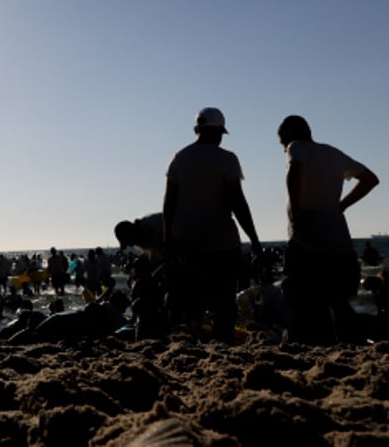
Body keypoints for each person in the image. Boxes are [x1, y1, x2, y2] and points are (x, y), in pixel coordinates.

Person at [277, 114, 380, 344]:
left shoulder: (296, 147)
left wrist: (296, 211)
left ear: (287, 138)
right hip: (340, 245)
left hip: (307, 243)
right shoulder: (333, 153)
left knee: (302, 304)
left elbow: (295, 170)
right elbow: (371, 179)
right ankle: (348, 346)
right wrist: (342, 205)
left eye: (282, 145)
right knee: (339, 304)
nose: (284, 150)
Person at [163, 107, 261, 341]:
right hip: (221, 241)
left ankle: (197, 341)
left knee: (193, 298)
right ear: (219, 132)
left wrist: (168, 238)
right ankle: (222, 343)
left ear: (197, 129)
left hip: (186, 240)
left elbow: (169, 203)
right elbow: (238, 203)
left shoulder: (180, 157)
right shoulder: (227, 159)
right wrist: (254, 239)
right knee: (224, 300)